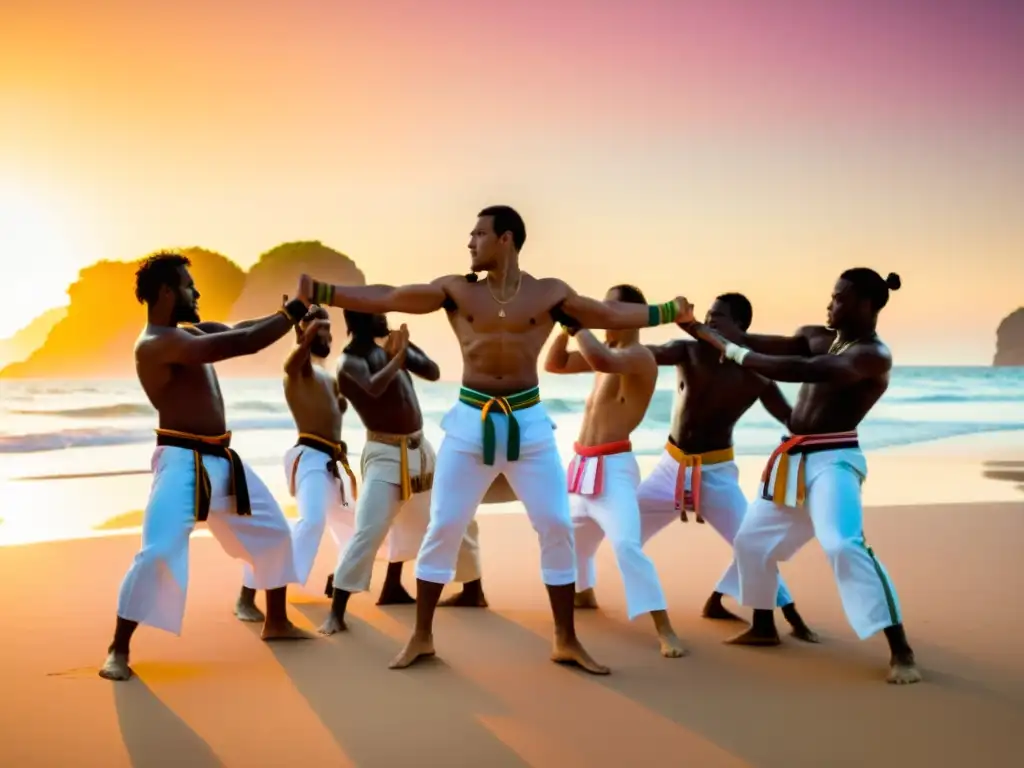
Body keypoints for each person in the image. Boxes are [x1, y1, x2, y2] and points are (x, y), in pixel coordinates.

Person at [300, 204, 692, 674]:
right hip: (470, 420)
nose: (469, 241)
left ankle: (566, 639)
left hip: (528, 423)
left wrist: (670, 310)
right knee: (445, 524)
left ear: (505, 239)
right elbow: (391, 296)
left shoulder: (549, 294)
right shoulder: (456, 291)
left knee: (555, 525)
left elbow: (606, 310)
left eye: (479, 233)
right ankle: (421, 637)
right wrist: (326, 292)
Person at [681, 268, 921, 684]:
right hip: (793, 457)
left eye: (838, 297)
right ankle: (763, 626)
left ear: (865, 304)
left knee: (843, 543)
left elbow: (795, 368)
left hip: (835, 461)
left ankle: (901, 649)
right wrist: (702, 329)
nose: (829, 304)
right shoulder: (815, 334)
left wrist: (732, 350)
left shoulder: (871, 355)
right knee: (751, 542)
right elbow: (754, 342)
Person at [99, 252, 315, 682]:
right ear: (165, 292)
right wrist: (294, 311)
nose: (195, 291)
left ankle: (276, 622)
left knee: (273, 531)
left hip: (222, 459)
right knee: (158, 551)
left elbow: (243, 330)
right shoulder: (156, 344)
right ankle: (118, 648)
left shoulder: (191, 332)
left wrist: (285, 314)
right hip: (180, 461)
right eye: (186, 284)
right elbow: (237, 345)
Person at [633, 293, 817, 642]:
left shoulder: (758, 374)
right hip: (669, 469)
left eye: (718, 317)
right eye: (707, 315)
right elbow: (643, 355)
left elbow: (793, 420)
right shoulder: (686, 350)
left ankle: (787, 613)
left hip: (717, 475)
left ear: (741, 326)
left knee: (752, 545)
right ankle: (579, 586)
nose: (708, 321)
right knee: (624, 529)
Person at [319, 310, 485, 634]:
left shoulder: (391, 347)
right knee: (370, 528)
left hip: (420, 448)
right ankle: (336, 612)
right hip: (384, 453)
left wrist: (406, 350)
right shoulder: (348, 361)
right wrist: (397, 359)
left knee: (455, 515)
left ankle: (472, 590)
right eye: (375, 314)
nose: (383, 318)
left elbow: (433, 372)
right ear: (357, 322)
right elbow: (373, 390)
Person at [543, 284, 687, 658]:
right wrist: (563, 327)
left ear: (629, 317)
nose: (603, 315)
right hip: (580, 465)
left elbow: (604, 361)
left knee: (626, 545)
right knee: (569, 536)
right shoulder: (603, 351)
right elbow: (553, 364)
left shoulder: (639, 356)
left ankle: (665, 629)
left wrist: (576, 325)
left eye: (611, 310)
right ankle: (584, 592)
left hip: (614, 468)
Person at [234, 305, 359, 621]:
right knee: (311, 522)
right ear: (303, 332)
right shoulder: (298, 369)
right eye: (319, 329)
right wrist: (302, 339)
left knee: (355, 530)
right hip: (310, 460)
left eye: (329, 330)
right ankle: (248, 593)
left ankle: (342, 579)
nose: (326, 336)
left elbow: (332, 419)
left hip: (331, 464)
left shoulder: (327, 378)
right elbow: (292, 362)